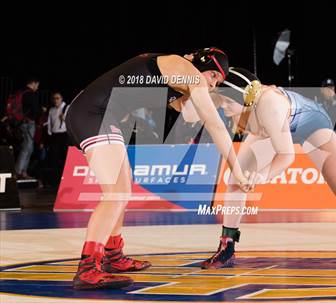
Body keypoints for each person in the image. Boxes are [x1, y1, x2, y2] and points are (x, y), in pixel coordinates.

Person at [65, 48, 251, 290]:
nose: (214, 84)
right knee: (117, 193)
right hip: (94, 114)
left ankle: (113, 254)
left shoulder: (177, 72)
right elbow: (214, 125)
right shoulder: (190, 74)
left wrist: (209, 98)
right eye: (214, 76)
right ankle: (88, 268)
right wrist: (236, 168)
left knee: (122, 188)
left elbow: (187, 113)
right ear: (202, 64)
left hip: (95, 113)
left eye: (219, 81)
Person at [201, 68, 336, 270]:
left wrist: (262, 176)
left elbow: (286, 156)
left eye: (229, 102)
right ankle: (226, 247)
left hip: (310, 123)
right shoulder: (238, 100)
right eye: (223, 101)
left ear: (245, 99)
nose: (225, 106)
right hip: (273, 128)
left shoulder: (269, 106)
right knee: (237, 180)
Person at [14, 77, 41, 179]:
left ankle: (23, 171)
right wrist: (41, 111)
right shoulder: (30, 94)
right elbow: (35, 109)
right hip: (28, 123)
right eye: (37, 85)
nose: (37, 88)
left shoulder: (22, 92)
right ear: (33, 83)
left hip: (22, 123)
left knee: (29, 147)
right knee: (27, 148)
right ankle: (18, 172)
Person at [47, 92, 69, 185]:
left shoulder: (66, 107)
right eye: (54, 98)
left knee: (65, 156)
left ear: (61, 98)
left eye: (58, 98)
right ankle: (56, 179)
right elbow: (49, 122)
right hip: (55, 135)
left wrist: (64, 118)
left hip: (64, 134)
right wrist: (49, 133)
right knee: (55, 157)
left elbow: (71, 120)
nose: (56, 100)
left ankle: (67, 176)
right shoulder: (51, 110)